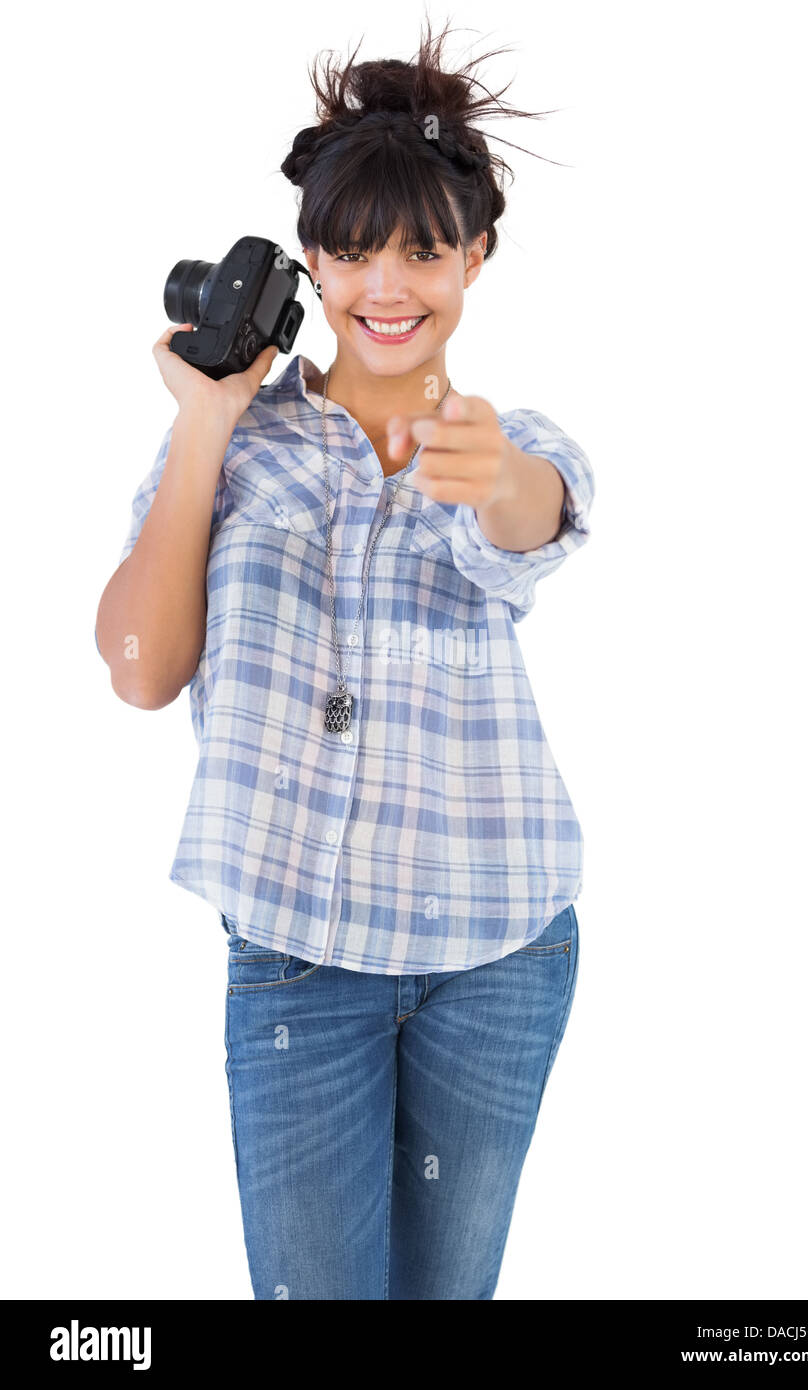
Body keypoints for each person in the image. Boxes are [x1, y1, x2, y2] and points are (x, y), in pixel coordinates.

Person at [95, 17, 595, 1300]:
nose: (389, 285)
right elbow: (142, 668)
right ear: (308, 261)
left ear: (474, 258)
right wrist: (208, 421)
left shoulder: (502, 441)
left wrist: (498, 482)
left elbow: (532, 517)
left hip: (497, 953)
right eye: (356, 249)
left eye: (425, 250)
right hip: (296, 963)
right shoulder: (233, 450)